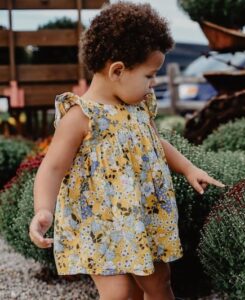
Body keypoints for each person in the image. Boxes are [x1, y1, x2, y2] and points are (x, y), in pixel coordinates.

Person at [29, 2, 225, 300]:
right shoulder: (81, 115)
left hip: (144, 217)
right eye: (149, 75)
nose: (153, 83)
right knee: (120, 293)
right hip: (101, 225)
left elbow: (155, 143)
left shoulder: (138, 107)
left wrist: (189, 168)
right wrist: (43, 210)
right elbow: (53, 166)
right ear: (117, 70)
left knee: (159, 283)